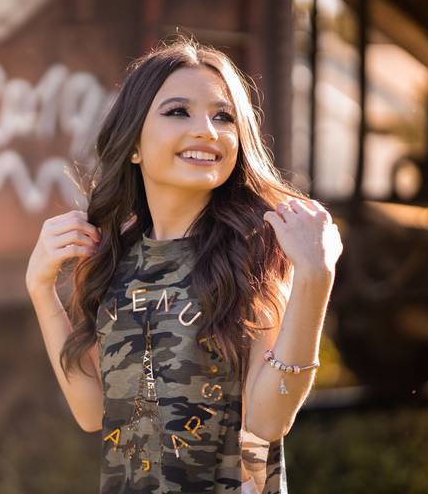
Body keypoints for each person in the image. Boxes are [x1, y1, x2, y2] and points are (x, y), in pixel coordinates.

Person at [25, 35, 343, 494]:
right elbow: (92, 410)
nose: (208, 131)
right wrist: (40, 289)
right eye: (179, 112)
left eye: (223, 116)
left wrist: (315, 278)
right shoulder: (115, 259)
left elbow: (269, 420)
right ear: (133, 144)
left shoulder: (255, 253)